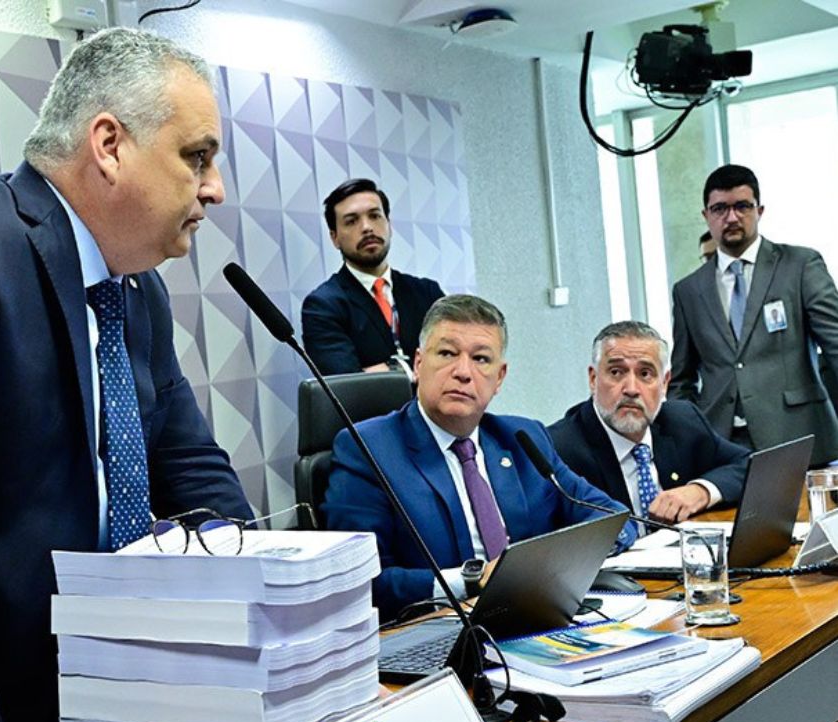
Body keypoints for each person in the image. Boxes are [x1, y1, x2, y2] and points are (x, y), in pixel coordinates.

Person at [0, 28, 252, 722]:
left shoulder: (137, 290)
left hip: (135, 697)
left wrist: (270, 633)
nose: (215, 188)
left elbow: (194, 470)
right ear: (110, 145)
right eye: (197, 156)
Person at [322, 295, 630, 622]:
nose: (463, 372)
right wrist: (472, 579)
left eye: (481, 359)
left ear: (500, 377)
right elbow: (360, 581)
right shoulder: (367, 449)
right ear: (419, 364)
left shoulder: (523, 438)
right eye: (447, 353)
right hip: (437, 630)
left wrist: (547, 569)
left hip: (535, 617)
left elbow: (612, 518)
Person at [669, 163, 838, 467]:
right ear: (706, 216)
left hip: (798, 435)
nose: (731, 217)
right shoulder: (688, 291)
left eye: (742, 206)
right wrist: (687, 438)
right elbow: (682, 380)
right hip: (722, 445)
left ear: (759, 211)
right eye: (720, 208)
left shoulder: (800, 265)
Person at [549, 321, 749, 525]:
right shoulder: (557, 449)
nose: (631, 389)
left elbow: (749, 465)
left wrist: (700, 491)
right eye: (616, 372)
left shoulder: (683, 421)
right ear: (593, 379)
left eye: (645, 374)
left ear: (664, 383)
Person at [301, 178, 444, 376]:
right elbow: (349, 384)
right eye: (351, 221)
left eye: (375, 216)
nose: (367, 227)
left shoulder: (428, 293)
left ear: (389, 225)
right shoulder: (323, 305)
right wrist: (413, 369)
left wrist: (381, 371)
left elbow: (454, 360)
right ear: (335, 238)